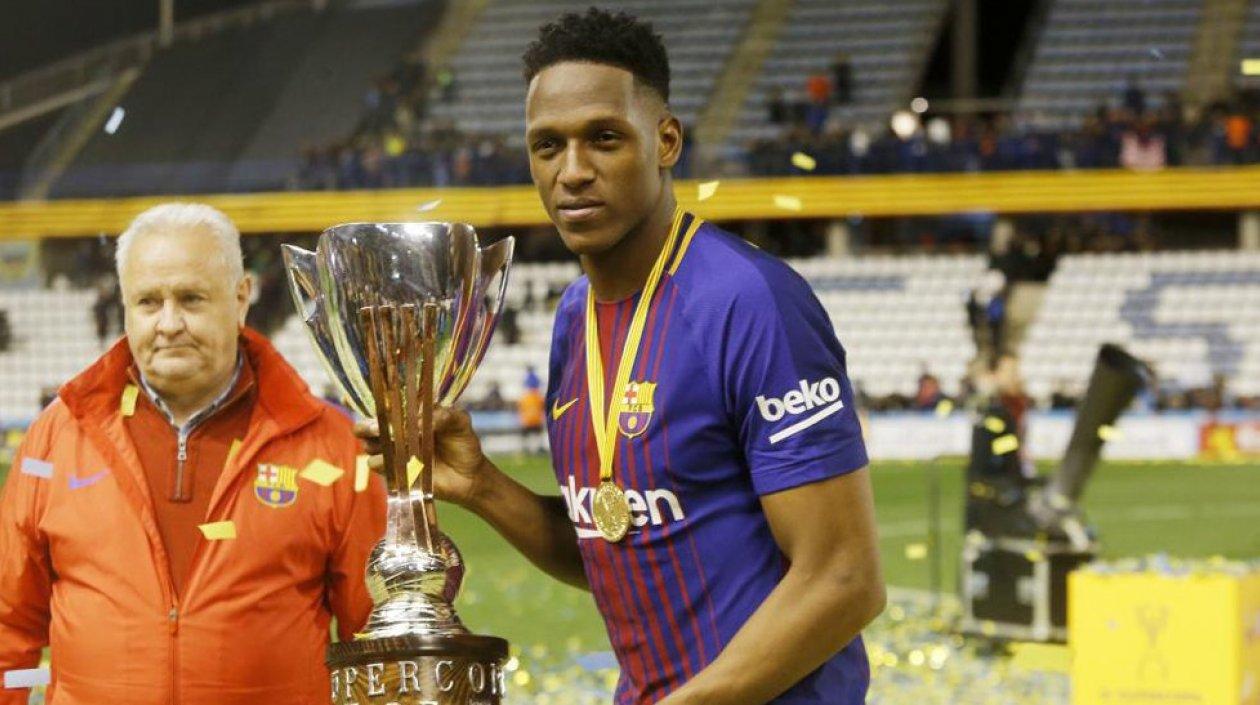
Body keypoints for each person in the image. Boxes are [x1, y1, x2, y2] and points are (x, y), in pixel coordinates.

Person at [361, 9, 882, 704]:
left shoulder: (749, 302)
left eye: (603, 139)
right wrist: (481, 483)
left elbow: (844, 578)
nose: (572, 172)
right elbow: (616, 538)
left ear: (665, 140)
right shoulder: (574, 318)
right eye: (547, 146)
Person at [0, 203, 386, 705]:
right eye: (147, 302)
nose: (169, 323)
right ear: (123, 305)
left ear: (241, 297)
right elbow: (9, 625)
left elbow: (377, 645)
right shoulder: (54, 440)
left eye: (191, 298)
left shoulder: (332, 446)